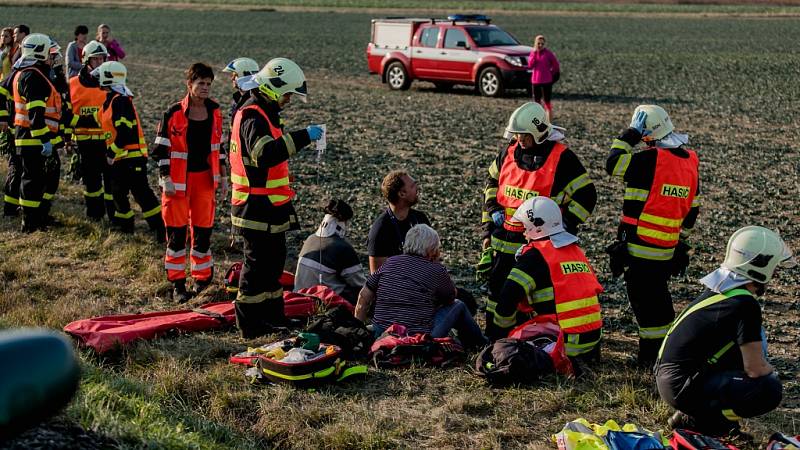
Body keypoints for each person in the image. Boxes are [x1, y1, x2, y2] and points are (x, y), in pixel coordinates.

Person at [656, 226, 794, 437]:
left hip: (672, 380)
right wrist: (770, 372)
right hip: (682, 387)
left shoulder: (720, 289)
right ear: (761, 266)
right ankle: (707, 421)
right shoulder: (744, 305)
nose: (775, 273)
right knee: (768, 389)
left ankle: (701, 418)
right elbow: (755, 369)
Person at [481, 102, 596, 339]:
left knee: (535, 299)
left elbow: (587, 195)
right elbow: (491, 184)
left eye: (524, 135)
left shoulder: (562, 158)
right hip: (503, 243)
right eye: (516, 135)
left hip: (540, 251)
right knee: (498, 296)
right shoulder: (508, 153)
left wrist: (565, 225)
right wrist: (489, 223)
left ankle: (531, 341)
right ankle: (495, 341)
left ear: (538, 132)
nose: (519, 140)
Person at [228, 57, 323, 338]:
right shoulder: (252, 116)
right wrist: (304, 136)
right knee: (256, 268)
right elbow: (265, 154)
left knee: (272, 265)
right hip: (254, 207)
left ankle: (272, 318)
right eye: (288, 94)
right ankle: (249, 325)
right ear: (273, 89)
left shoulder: (264, 112)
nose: (290, 100)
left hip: (269, 206)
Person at [606, 105, 700, 365]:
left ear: (648, 134)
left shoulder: (650, 160)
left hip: (640, 250)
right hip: (667, 249)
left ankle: (650, 360)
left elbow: (612, 164)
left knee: (646, 308)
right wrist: (679, 239)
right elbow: (693, 209)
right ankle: (664, 352)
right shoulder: (690, 161)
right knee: (659, 303)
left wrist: (630, 133)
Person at [490, 196, 603, 360]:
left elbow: (508, 296)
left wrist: (499, 336)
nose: (523, 232)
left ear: (536, 227)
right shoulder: (575, 251)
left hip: (564, 344)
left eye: (525, 227)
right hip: (591, 343)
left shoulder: (535, 256)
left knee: (511, 350)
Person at [152, 62, 225, 302]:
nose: (205, 88)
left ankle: (202, 281)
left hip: (205, 181)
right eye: (200, 83)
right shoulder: (173, 113)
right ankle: (178, 285)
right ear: (189, 84)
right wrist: (165, 178)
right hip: (178, 184)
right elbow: (161, 149)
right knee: (176, 236)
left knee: (202, 235)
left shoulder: (215, 111)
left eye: (208, 84)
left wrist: (222, 177)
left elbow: (219, 147)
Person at [355, 224, 487, 349]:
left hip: (382, 333)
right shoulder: (436, 270)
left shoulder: (390, 262)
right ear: (431, 250)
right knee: (458, 305)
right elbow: (449, 298)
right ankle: (480, 343)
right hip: (417, 339)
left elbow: (364, 296)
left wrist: (358, 330)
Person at [94, 61, 165, 241]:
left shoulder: (121, 101)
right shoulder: (110, 101)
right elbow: (96, 122)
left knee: (142, 194)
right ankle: (126, 229)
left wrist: (111, 154)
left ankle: (161, 230)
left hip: (131, 158)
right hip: (121, 158)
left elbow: (125, 132)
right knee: (118, 193)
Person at [7, 33, 61, 232]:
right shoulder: (33, 76)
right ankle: (29, 224)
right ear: (40, 52)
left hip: (31, 138)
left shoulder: (29, 73)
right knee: (32, 181)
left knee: (41, 180)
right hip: (33, 139)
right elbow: (36, 116)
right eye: (49, 53)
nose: (51, 57)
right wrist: (45, 141)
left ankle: (37, 218)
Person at [69, 40, 114, 221]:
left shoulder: (111, 82)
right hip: (85, 142)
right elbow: (66, 112)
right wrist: (68, 138)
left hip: (108, 142)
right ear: (87, 61)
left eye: (102, 59)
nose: (100, 64)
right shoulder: (72, 84)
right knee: (91, 182)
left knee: (112, 183)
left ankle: (115, 217)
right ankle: (94, 215)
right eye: (96, 60)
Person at [294, 199, 366, 304]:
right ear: (343, 223)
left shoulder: (310, 239)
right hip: (323, 301)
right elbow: (359, 283)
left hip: (299, 295)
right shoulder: (343, 247)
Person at [367, 169, 430, 273]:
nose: (417, 188)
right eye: (413, 186)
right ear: (402, 194)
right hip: (398, 287)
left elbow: (434, 259)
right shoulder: (380, 230)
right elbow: (378, 278)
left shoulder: (420, 219)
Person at [527, 35, 560, 121]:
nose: (540, 45)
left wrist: (550, 74)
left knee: (547, 103)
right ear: (535, 44)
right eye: (538, 43)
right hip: (536, 81)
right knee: (536, 103)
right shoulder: (532, 53)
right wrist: (534, 53)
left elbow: (556, 65)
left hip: (546, 82)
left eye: (542, 44)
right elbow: (530, 65)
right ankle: (538, 122)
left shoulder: (548, 53)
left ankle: (549, 123)